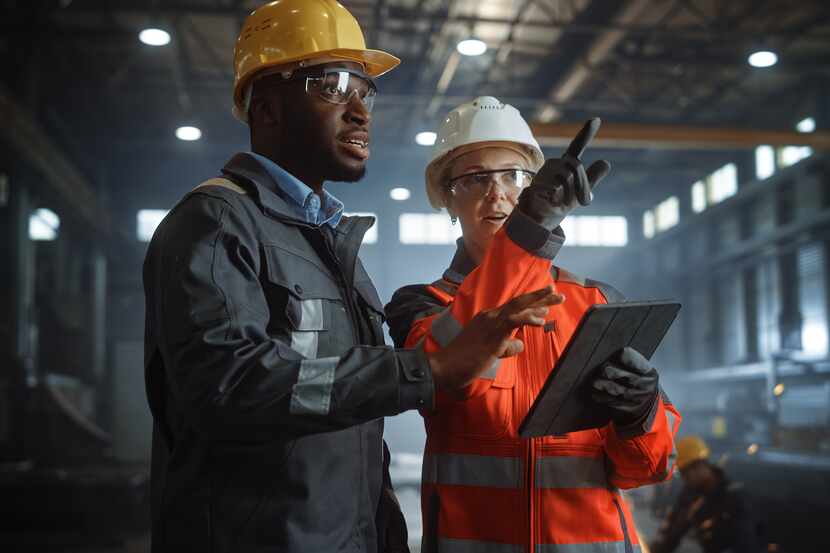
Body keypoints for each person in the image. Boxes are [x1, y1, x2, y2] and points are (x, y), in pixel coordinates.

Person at [142, 4, 564, 553]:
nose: (360, 110)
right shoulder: (218, 222)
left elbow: (350, 424)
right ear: (267, 107)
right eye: (334, 86)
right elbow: (230, 386)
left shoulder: (331, 245)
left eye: (365, 91)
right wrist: (426, 369)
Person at [385, 96, 682, 553]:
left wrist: (640, 414)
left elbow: (644, 470)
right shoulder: (421, 306)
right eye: (476, 178)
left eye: (514, 176)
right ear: (447, 197)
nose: (498, 192)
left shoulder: (595, 303)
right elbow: (447, 376)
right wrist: (531, 228)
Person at [650, 436, 762, 553]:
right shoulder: (690, 494)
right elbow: (673, 530)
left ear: (699, 466)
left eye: (685, 474)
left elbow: (746, 544)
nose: (684, 479)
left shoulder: (734, 497)